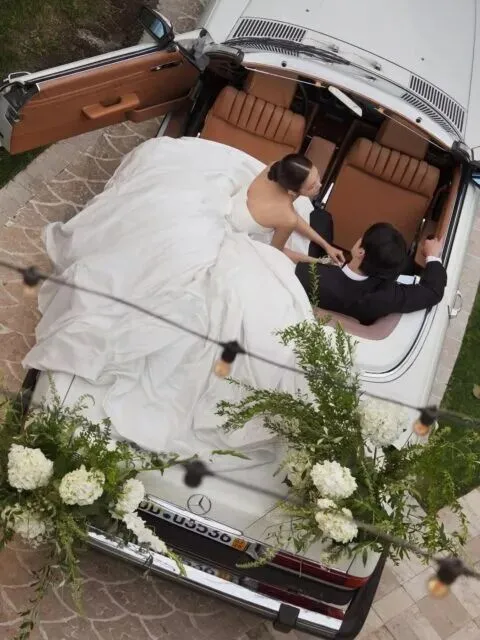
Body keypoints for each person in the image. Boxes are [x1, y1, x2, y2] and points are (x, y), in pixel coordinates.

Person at [295, 221, 447, 325]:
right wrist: (432, 255)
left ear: (360, 251)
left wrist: (319, 262)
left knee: (322, 218)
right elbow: (433, 291)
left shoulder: (307, 275)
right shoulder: (386, 296)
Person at [244, 154, 345, 265]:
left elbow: (290, 214)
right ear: (292, 192)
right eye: (312, 186)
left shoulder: (276, 167)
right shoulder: (288, 217)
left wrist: (326, 246)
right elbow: (275, 252)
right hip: (248, 234)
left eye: (317, 176)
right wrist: (319, 261)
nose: (320, 185)